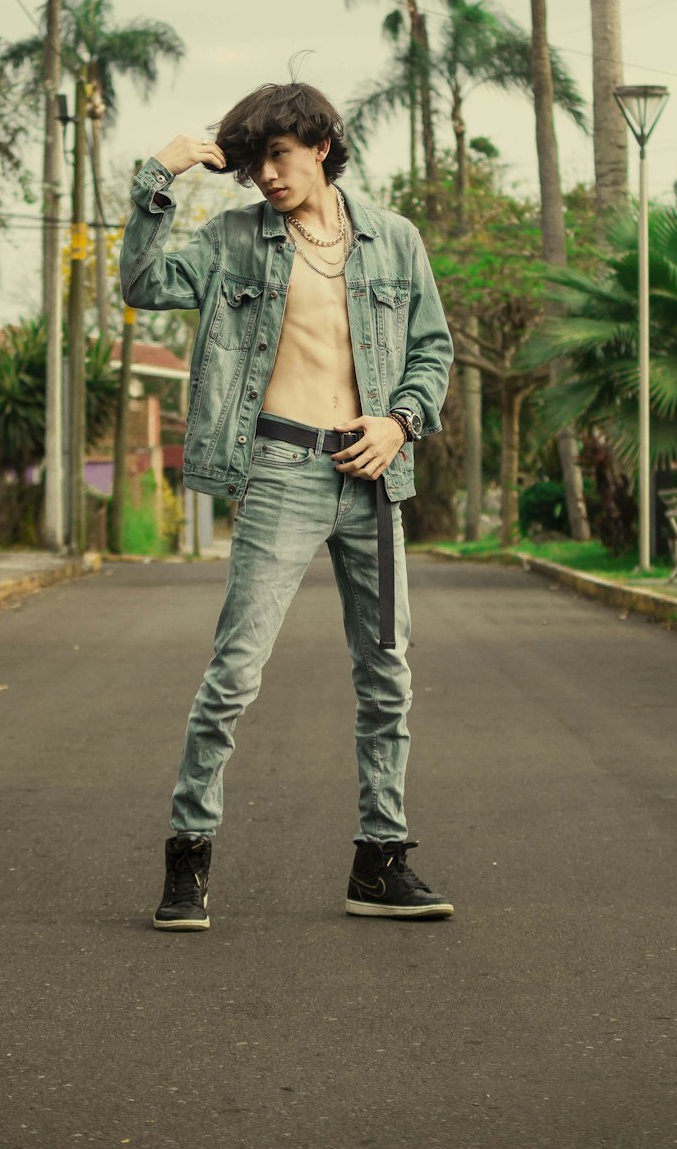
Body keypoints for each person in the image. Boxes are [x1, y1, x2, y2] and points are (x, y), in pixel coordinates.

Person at [119, 80, 454, 931]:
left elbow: (432, 350)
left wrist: (399, 422)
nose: (266, 174)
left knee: (388, 674)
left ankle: (381, 860)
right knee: (235, 672)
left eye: (280, 155)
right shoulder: (233, 239)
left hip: (372, 474)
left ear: (320, 145)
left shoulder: (395, 241)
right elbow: (144, 282)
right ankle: (187, 856)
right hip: (279, 467)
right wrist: (158, 174)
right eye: (253, 160)